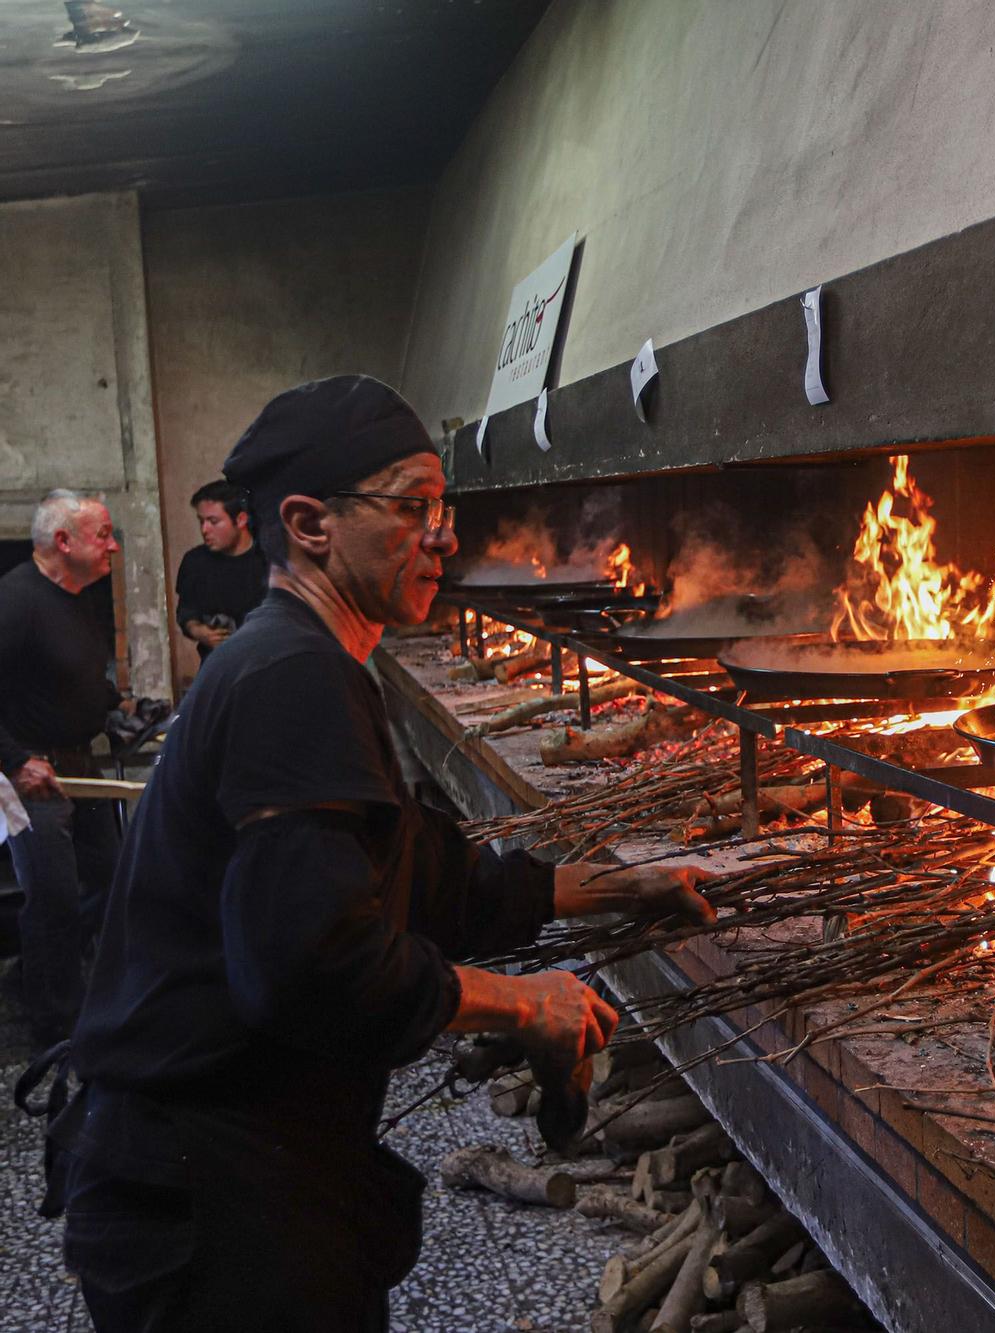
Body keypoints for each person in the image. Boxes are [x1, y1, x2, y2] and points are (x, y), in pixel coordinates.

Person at [46, 376, 714, 1331]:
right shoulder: (295, 676)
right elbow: (313, 963)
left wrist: (614, 888)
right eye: (412, 508)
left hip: (225, 1159)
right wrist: (527, 1000)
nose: (443, 536)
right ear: (311, 523)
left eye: (441, 509)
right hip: (207, 1188)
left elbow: (413, 872)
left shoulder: (303, 657)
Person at [0, 490, 124, 1052]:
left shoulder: (83, 595)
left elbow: (77, 671)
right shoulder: (15, 601)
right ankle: (56, 1027)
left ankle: (62, 984)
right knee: (51, 900)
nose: (114, 546)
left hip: (82, 764)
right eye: (103, 535)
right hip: (35, 774)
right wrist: (15, 761)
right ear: (62, 542)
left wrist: (111, 705)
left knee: (113, 876)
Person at [173, 480, 268, 660]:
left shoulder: (268, 562)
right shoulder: (195, 562)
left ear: (240, 520)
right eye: (201, 521)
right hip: (218, 665)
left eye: (213, 521)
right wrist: (199, 631)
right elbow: (187, 612)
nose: (205, 529)